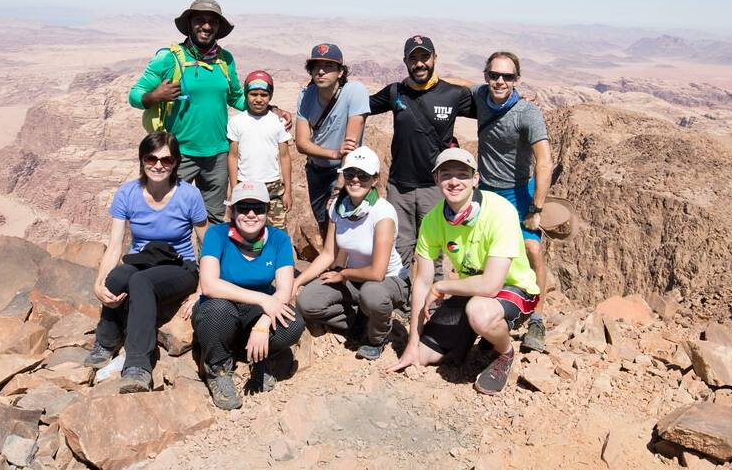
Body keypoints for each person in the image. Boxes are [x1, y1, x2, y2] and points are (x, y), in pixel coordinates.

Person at [387, 147, 540, 396]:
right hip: (472, 291)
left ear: (475, 179)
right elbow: (422, 281)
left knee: (479, 312)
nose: (454, 181)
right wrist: (413, 344)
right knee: (424, 356)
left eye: (463, 174)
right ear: (436, 179)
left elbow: (491, 285)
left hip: (514, 290)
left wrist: (442, 286)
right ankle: (472, 339)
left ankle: (504, 352)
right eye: (446, 175)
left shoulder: (499, 211)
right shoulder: (433, 220)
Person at [129, 0, 291, 221]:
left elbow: (236, 97)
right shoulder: (168, 58)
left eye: (212, 22)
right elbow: (134, 95)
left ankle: (208, 257)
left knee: (213, 217)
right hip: (179, 153)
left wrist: (271, 109)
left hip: (218, 155)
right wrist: (155, 96)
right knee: (171, 213)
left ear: (218, 27)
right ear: (189, 24)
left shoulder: (225, 59)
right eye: (200, 20)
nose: (206, 26)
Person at [88, 131, 208, 393]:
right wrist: (98, 284)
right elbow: (115, 245)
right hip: (144, 259)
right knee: (117, 278)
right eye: (151, 158)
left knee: (140, 282)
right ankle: (107, 341)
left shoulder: (188, 195)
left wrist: (202, 289)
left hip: (180, 266)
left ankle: (138, 365)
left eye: (166, 160)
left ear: (176, 162)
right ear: (142, 160)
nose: (158, 165)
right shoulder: (127, 193)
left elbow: (207, 243)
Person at [192, 181, 304, 410]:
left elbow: (284, 289)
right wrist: (263, 299)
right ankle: (218, 369)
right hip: (221, 307)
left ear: (267, 211)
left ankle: (260, 356)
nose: (251, 214)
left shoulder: (278, 239)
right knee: (218, 310)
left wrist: (263, 323)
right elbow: (210, 285)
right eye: (243, 208)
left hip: (256, 313)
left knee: (293, 324)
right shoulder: (217, 234)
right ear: (232, 211)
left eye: (258, 208)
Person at [367, 35, 476, 268]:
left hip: (434, 188)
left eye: (424, 57)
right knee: (399, 253)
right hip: (400, 188)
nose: (419, 63)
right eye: (413, 58)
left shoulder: (453, 94)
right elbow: (359, 105)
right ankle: (401, 303)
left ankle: (432, 304)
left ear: (435, 58)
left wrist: (521, 102)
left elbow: (490, 103)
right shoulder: (395, 92)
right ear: (405, 61)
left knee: (433, 255)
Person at [294, 146, 408, 360]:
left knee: (372, 295)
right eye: (350, 174)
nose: (355, 180)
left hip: (387, 280)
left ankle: (377, 337)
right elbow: (328, 254)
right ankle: (359, 321)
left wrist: (343, 274)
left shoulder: (383, 213)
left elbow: (377, 273)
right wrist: (297, 282)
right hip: (356, 278)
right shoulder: (338, 207)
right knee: (308, 302)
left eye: (363, 175)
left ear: (374, 179)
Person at [472, 51, 552, 352]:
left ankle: (538, 318)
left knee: (532, 249)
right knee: (485, 254)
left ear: (516, 79)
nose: (500, 81)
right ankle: (493, 313)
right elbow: (454, 85)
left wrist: (536, 209)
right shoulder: (480, 96)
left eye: (507, 76)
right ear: (486, 76)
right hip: (488, 193)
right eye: (494, 75)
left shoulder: (527, 113)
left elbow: (544, 162)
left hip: (518, 190)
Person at [294, 43, 369, 236]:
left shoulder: (354, 91)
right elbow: (301, 143)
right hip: (316, 171)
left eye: (328, 66)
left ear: (341, 72)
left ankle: (344, 265)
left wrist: (340, 181)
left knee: (345, 225)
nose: (320, 71)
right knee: (324, 224)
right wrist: (333, 152)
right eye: (316, 66)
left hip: (346, 171)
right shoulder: (306, 95)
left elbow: (350, 144)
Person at [227, 69, 293, 232]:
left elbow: (285, 157)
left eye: (263, 95)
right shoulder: (237, 122)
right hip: (245, 185)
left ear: (270, 96)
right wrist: (234, 188)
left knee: (277, 232)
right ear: (246, 94)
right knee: (245, 231)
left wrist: (288, 191)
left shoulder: (278, 121)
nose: (258, 99)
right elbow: (233, 156)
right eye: (253, 94)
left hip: (273, 187)